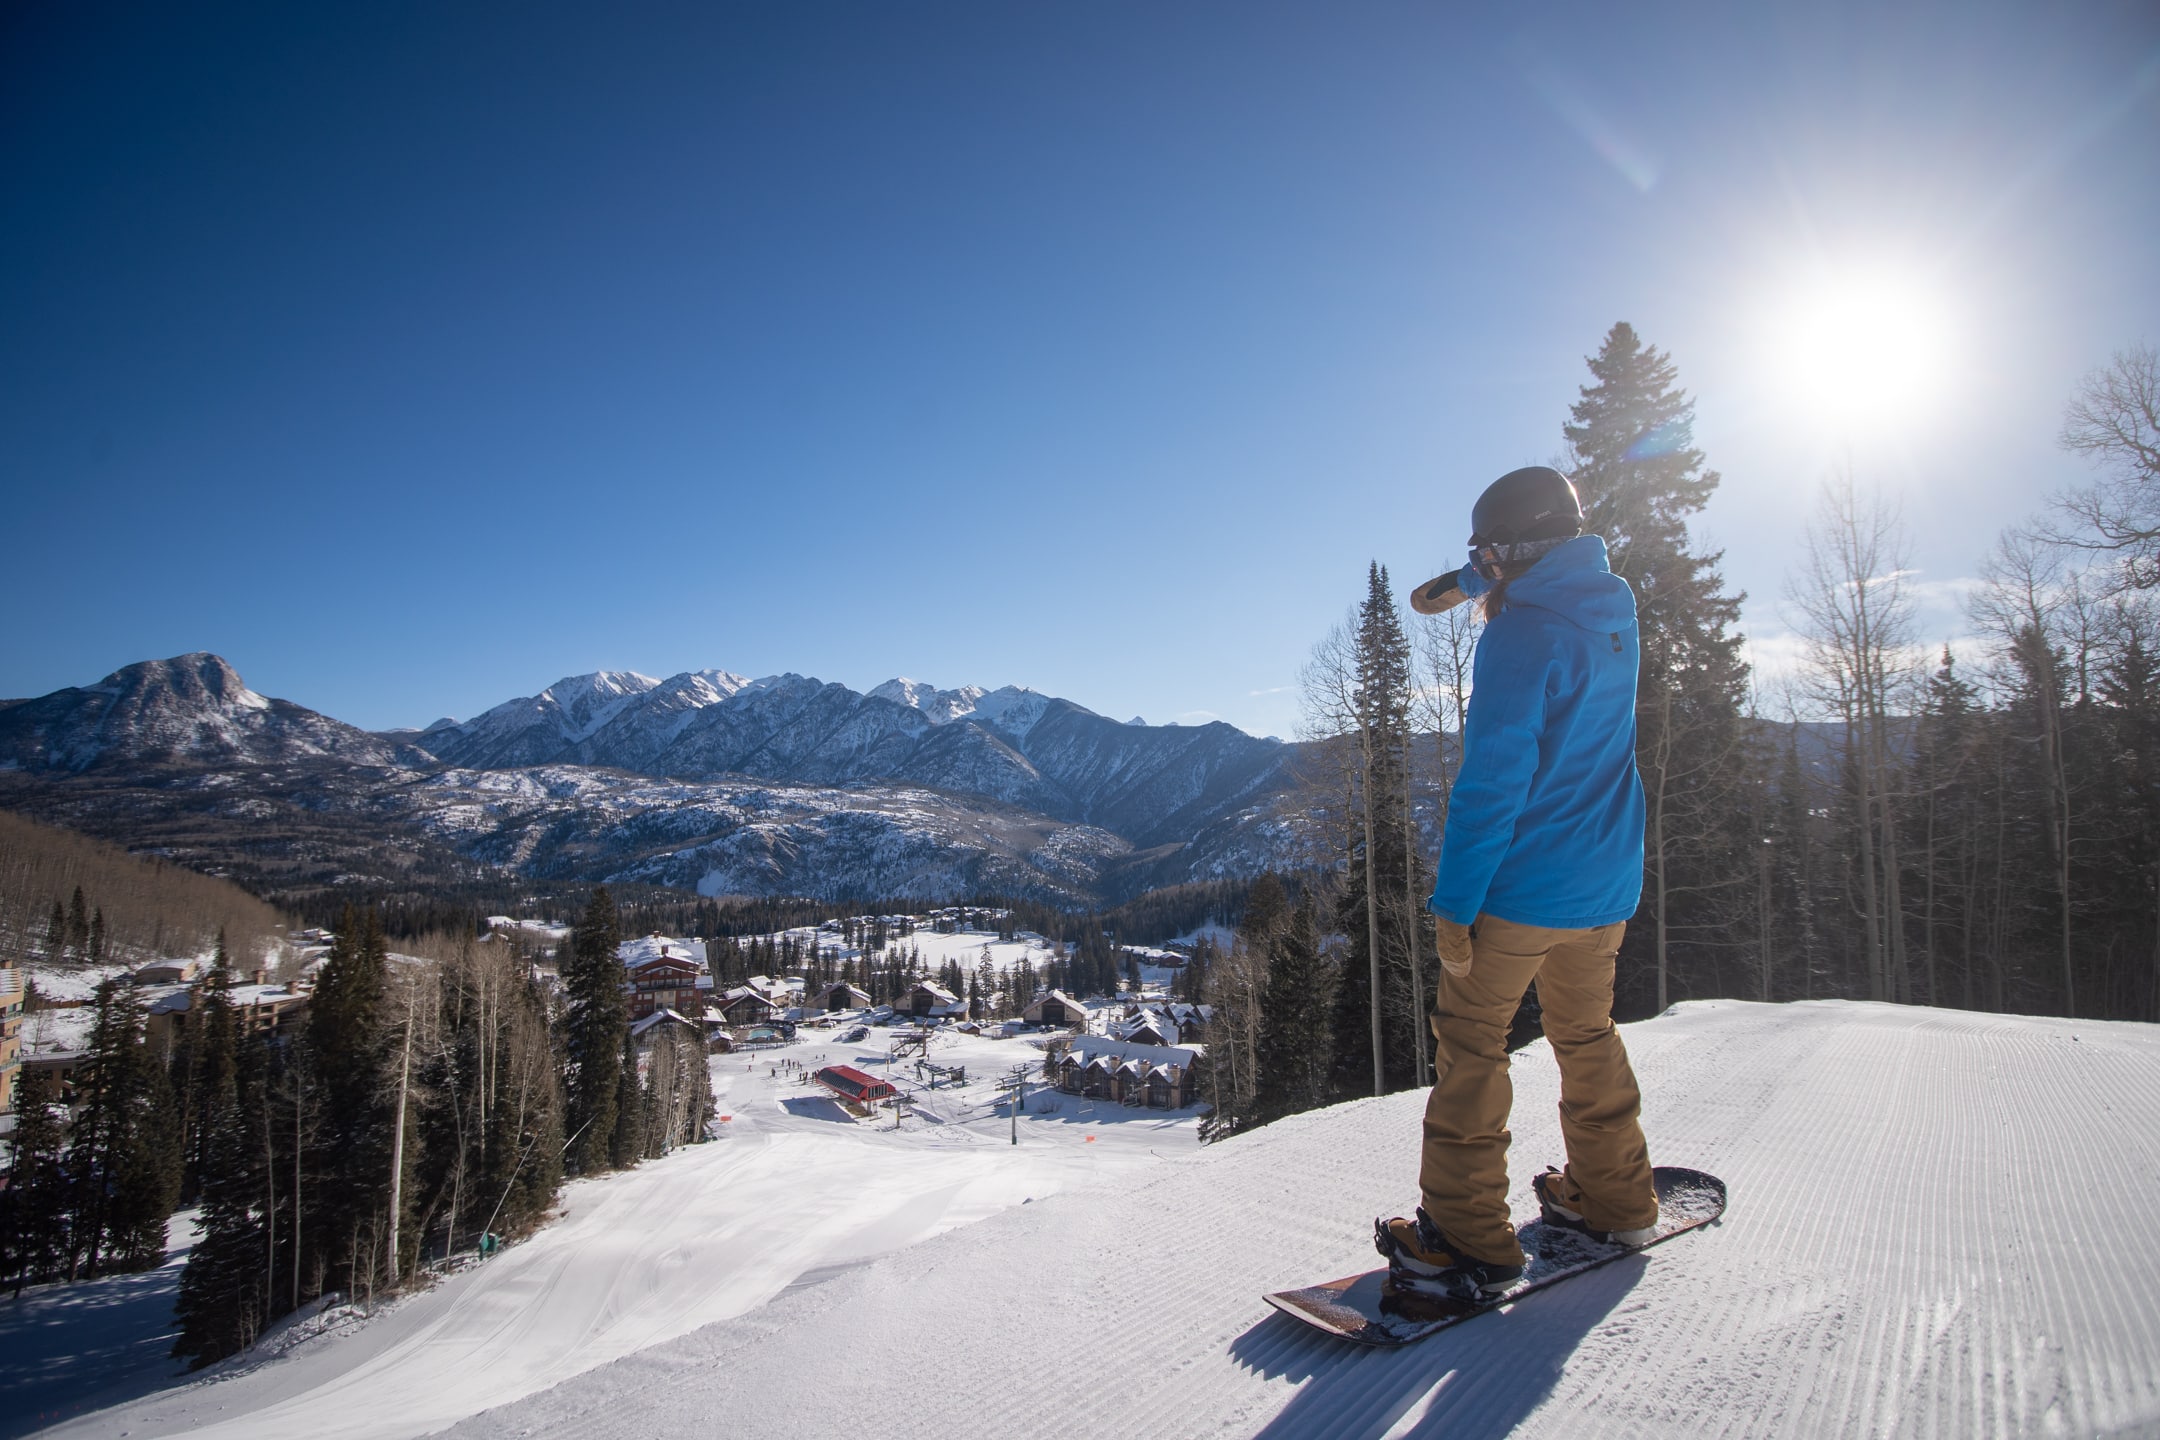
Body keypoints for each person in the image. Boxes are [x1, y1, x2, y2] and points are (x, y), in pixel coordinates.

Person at [1375, 464, 1657, 1299]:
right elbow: (1545, 567)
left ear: (1521, 548)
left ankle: (1467, 1237)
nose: (1484, 563)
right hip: (1605, 885)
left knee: (1471, 1049)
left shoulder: (1519, 636)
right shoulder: (1611, 612)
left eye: (1491, 551)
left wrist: (1454, 905)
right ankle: (1615, 1197)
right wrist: (1466, 582)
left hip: (1521, 893)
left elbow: (1492, 785)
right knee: (1586, 1035)